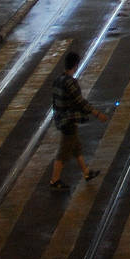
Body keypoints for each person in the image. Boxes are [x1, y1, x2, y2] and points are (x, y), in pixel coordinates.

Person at [49, 49, 107, 191]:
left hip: (61, 119)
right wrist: (97, 113)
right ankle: (55, 180)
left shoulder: (58, 80)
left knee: (76, 148)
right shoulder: (71, 83)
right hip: (68, 120)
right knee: (64, 151)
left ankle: (86, 173)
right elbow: (80, 102)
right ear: (75, 65)